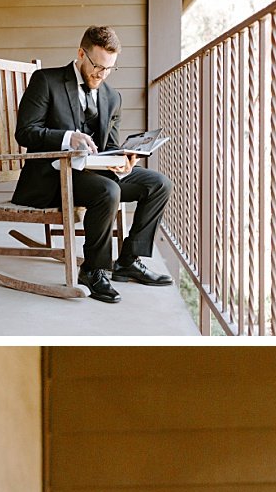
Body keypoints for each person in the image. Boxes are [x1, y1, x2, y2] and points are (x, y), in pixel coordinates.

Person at [12, 25, 173, 303]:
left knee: (158, 184)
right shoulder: (46, 81)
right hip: (52, 176)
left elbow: (109, 146)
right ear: (80, 54)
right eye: (97, 65)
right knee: (108, 192)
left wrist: (124, 160)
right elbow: (25, 132)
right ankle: (93, 269)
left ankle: (127, 261)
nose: (101, 74)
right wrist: (67, 138)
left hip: (94, 172)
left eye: (109, 68)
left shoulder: (112, 97)